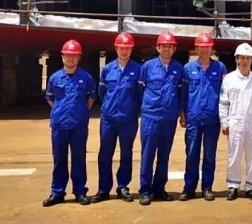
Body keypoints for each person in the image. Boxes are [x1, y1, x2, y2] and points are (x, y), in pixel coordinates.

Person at [43, 39, 96, 207]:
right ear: (62, 56)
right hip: (59, 126)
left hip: (79, 126)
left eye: (74, 56)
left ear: (79, 57)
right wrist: (61, 112)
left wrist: (79, 112)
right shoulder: (55, 78)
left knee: (79, 159)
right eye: (68, 55)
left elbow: (91, 98)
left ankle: (80, 191)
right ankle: (57, 192)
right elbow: (50, 99)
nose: (71, 58)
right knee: (59, 160)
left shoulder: (86, 78)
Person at [91, 32, 141, 203]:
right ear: (116, 48)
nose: (124, 51)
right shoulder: (107, 69)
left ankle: (123, 187)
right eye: (121, 48)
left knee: (126, 154)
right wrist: (110, 107)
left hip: (128, 119)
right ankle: (103, 189)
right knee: (105, 154)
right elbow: (102, 92)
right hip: (109, 119)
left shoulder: (138, 70)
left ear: (132, 49)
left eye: (127, 48)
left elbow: (140, 94)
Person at [137, 30, 187, 205]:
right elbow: (140, 90)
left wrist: (180, 112)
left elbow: (181, 93)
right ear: (158, 48)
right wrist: (147, 107)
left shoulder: (179, 69)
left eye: (170, 46)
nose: (166, 49)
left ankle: (159, 189)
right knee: (148, 154)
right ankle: (145, 190)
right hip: (150, 117)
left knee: (164, 154)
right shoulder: (147, 67)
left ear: (174, 49)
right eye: (163, 46)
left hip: (169, 118)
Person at [179, 32, 228, 201]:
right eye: (201, 47)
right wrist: (182, 113)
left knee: (209, 154)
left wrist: (225, 117)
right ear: (196, 48)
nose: (204, 50)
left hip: (212, 118)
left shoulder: (220, 68)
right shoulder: (188, 69)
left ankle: (207, 187)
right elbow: (183, 93)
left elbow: (225, 94)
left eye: (207, 47)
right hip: (193, 117)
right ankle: (189, 188)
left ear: (211, 48)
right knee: (191, 153)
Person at [219, 42, 252, 201]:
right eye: (242, 58)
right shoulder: (229, 79)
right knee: (234, 154)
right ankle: (233, 186)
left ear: (251, 60)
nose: (245, 61)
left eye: (248, 58)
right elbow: (223, 102)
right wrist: (224, 122)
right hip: (235, 122)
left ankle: (250, 187)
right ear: (236, 59)